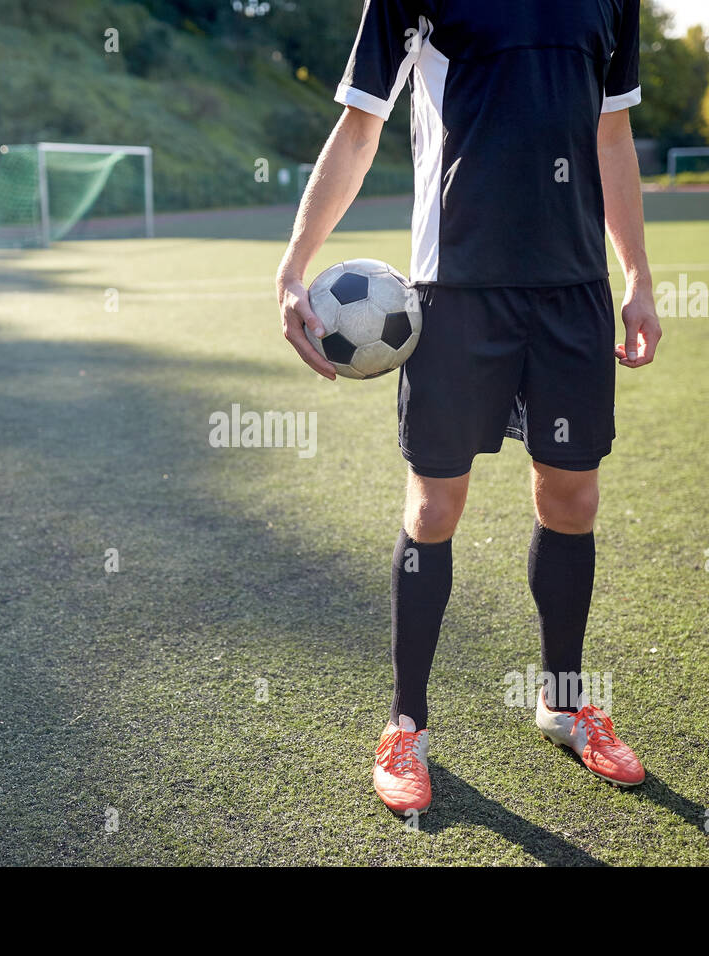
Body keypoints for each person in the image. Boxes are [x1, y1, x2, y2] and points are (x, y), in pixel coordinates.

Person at [275, 0, 661, 814]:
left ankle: (562, 703)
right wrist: (294, 265)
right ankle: (405, 723)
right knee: (434, 506)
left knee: (572, 496)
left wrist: (638, 279)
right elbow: (359, 127)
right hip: (455, 294)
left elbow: (612, 136)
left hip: (572, 293)